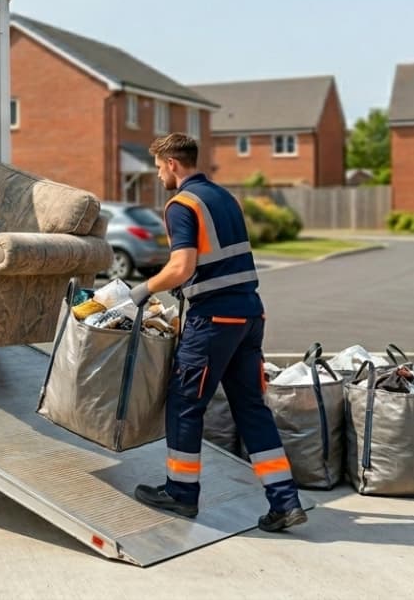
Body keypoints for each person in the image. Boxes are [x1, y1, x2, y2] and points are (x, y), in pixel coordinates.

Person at [129, 133, 306, 532]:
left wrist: (142, 291)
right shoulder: (225, 197)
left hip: (213, 323)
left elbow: (182, 265)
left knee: (185, 403)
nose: (159, 176)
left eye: (159, 168)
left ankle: (181, 493)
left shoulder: (181, 204)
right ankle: (285, 501)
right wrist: (190, 284)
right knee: (251, 409)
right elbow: (219, 260)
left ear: (173, 164)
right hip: (249, 316)